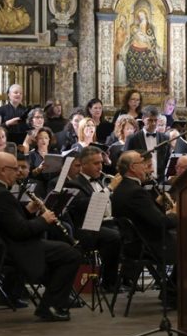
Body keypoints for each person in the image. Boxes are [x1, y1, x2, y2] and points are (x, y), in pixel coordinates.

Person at [0, 152, 81, 321]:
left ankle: (55, 299)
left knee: (62, 251)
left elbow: (10, 222)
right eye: (15, 168)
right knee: (71, 254)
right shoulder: (1, 194)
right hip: (15, 250)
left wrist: (28, 210)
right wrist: (44, 219)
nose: (19, 172)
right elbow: (20, 231)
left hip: (9, 245)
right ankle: (50, 305)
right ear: (3, 170)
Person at [111, 151, 178, 303]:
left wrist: (157, 204)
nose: (148, 168)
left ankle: (172, 290)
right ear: (133, 168)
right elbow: (161, 223)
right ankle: (174, 294)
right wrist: (175, 213)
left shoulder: (122, 188)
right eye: (143, 164)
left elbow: (143, 216)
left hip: (133, 244)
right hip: (148, 246)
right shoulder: (136, 192)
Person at [64, 147, 121, 292]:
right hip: (86, 229)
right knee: (114, 237)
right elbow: (86, 205)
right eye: (96, 163)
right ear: (84, 165)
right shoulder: (74, 183)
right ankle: (108, 282)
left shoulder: (100, 181)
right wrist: (110, 188)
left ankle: (126, 277)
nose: (100, 166)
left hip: (105, 222)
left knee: (130, 231)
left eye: (101, 162)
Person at [124, 106, 170, 179]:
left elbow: (167, 160)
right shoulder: (132, 139)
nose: (153, 123)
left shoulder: (165, 138)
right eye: (150, 120)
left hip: (160, 180)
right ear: (143, 119)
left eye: (156, 120)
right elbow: (126, 161)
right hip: (140, 180)